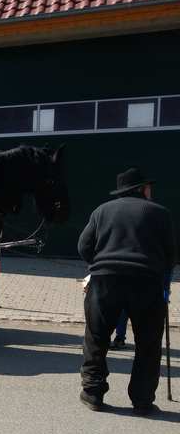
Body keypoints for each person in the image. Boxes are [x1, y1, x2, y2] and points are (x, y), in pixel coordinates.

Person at [78, 167, 175, 415]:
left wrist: (99, 264)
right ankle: (142, 400)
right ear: (143, 189)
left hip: (105, 281)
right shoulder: (160, 213)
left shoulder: (101, 211)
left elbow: (83, 246)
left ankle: (93, 393)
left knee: (96, 339)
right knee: (148, 343)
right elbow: (172, 254)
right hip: (146, 282)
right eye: (148, 187)